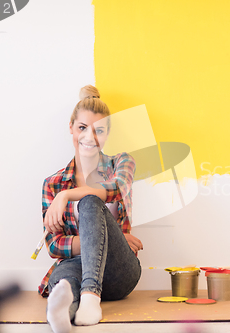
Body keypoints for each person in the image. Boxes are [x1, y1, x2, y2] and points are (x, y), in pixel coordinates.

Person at [38, 85, 143, 333]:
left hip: (119, 271)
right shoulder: (52, 184)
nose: (89, 137)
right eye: (82, 128)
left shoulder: (122, 162)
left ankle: (91, 298)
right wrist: (105, 237)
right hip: (77, 265)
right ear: (72, 128)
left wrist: (67, 195)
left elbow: (116, 189)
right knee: (62, 282)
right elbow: (54, 245)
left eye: (99, 130)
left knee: (89, 201)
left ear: (107, 134)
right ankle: (63, 316)